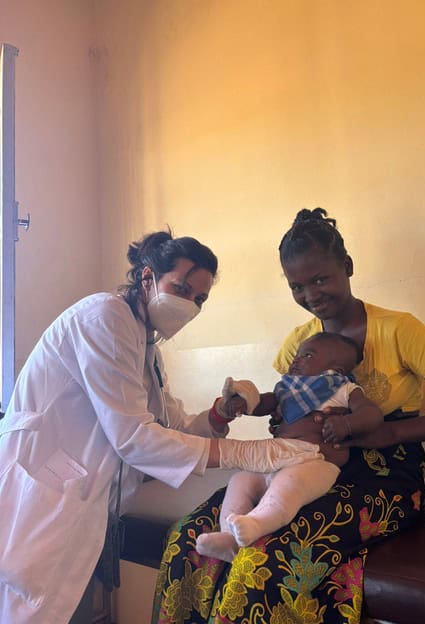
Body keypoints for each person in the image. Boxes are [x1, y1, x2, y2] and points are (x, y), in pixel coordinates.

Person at [152, 208, 425, 624]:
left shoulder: (399, 329)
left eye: (320, 279)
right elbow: (280, 409)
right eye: (297, 286)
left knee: (262, 560)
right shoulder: (299, 344)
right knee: (187, 537)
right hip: (300, 464)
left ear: (348, 266)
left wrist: (391, 431)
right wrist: (264, 415)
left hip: (383, 476)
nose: (311, 294)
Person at [0, 230, 321, 624]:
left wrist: (219, 415)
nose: (189, 305)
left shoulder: (146, 346)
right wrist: (245, 453)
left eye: (199, 299)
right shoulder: (104, 318)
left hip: (80, 503)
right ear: (148, 277)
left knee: (57, 608)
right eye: (182, 289)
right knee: (26, 607)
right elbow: (134, 438)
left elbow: (171, 427)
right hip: (40, 496)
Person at [195, 331, 384, 562]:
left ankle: (256, 524)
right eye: (297, 355)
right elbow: (264, 403)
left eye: (308, 355)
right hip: (276, 458)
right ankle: (229, 538)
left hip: (314, 463)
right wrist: (244, 402)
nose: (296, 360)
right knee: (240, 480)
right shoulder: (287, 388)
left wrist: (346, 424)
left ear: (336, 369)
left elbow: (371, 413)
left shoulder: (344, 389)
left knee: (289, 486)